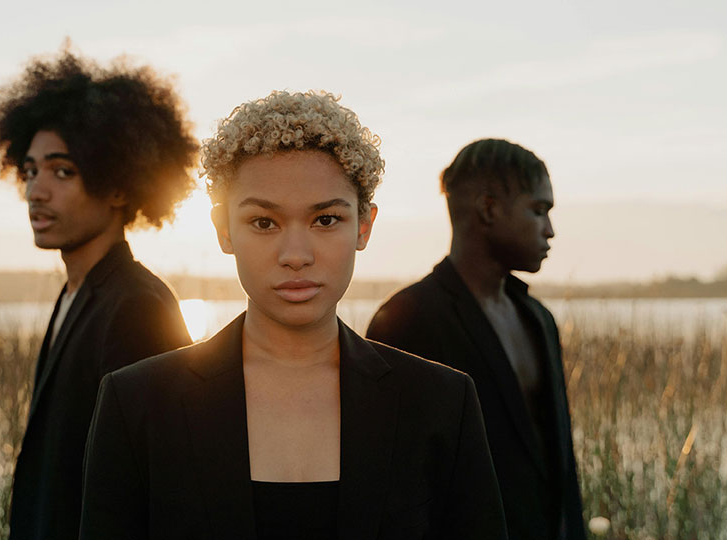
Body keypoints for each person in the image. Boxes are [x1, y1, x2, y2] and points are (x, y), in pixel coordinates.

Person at [80, 91, 507, 539]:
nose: (296, 255)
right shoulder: (137, 403)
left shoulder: (441, 403)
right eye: (264, 223)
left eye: (325, 220)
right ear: (224, 230)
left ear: (364, 226)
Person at [0, 46, 196, 540]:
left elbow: (151, 488)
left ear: (119, 186)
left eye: (62, 171)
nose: (36, 191)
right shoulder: (76, 294)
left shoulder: (136, 305)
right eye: (30, 171)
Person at [366, 138, 585, 540]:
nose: (550, 230)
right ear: (488, 209)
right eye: (538, 211)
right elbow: (390, 484)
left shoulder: (539, 319)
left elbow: (560, 466)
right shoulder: (408, 319)